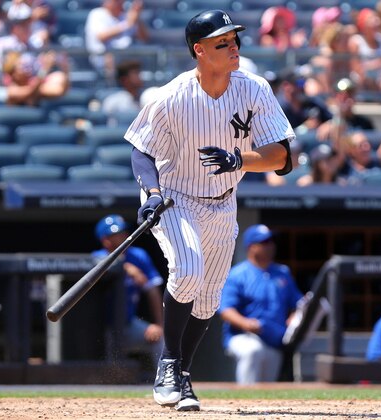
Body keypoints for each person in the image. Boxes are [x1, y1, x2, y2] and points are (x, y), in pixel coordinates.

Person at [124, 9, 294, 411]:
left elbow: (283, 157)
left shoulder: (253, 88)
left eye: (234, 39)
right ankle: (168, 364)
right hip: (174, 196)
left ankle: (182, 374)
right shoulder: (173, 95)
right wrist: (150, 193)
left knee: (208, 300)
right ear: (199, 50)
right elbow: (141, 150)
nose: (233, 45)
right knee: (188, 270)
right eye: (222, 42)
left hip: (223, 201)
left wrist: (239, 160)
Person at [218, 224, 303, 385]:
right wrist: (246, 323)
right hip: (244, 336)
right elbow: (225, 309)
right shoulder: (238, 274)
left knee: (267, 386)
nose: (270, 246)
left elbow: (298, 303)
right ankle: (244, 400)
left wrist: (293, 317)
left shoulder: (282, 272)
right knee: (253, 351)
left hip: (275, 338)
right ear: (252, 247)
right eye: (264, 242)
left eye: (271, 241)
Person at [92, 214, 164, 365]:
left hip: (128, 324)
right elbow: (97, 269)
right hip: (100, 328)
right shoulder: (97, 257)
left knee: (160, 338)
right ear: (105, 239)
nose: (125, 236)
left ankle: (165, 381)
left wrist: (159, 324)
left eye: (124, 233)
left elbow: (152, 290)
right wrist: (123, 267)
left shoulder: (138, 256)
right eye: (118, 235)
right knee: (109, 364)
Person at [85, 0, 149, 78]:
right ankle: (110, 85)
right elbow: (101, 36)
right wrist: (127, 24)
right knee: (110, 57)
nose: (120, 2)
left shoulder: (125, 16)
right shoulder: (97, 14)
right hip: (103, 62)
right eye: (116, 1)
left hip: (126, 61)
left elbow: (144, 38)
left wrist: (137, 18)